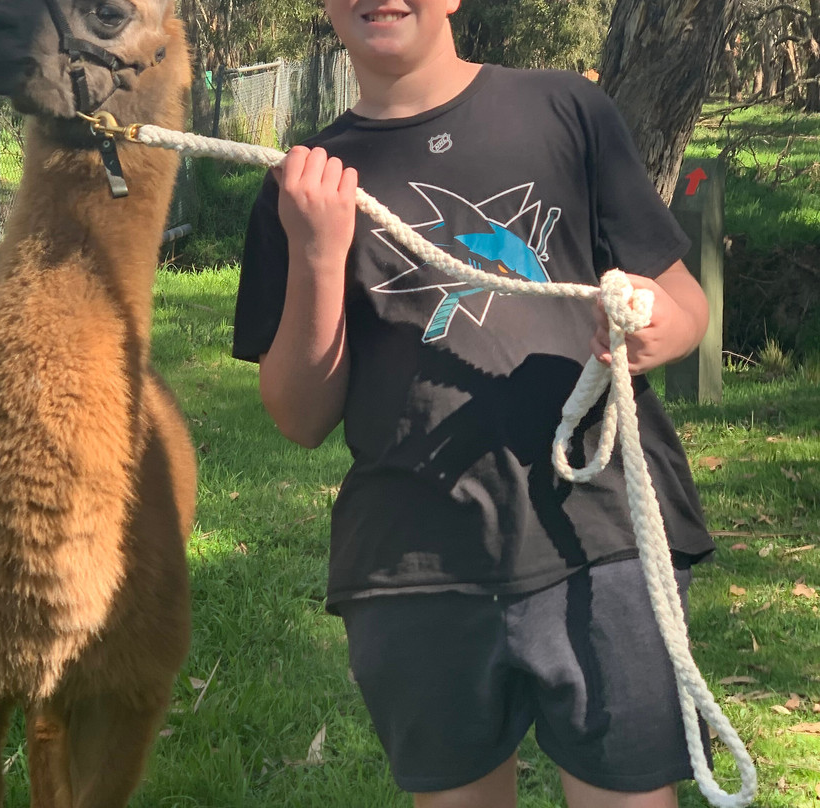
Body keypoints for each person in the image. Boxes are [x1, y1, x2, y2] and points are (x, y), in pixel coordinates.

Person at [232, 1, 716, 806]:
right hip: (415, 558)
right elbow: (299, 415)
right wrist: (318, 254)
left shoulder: (564, 109)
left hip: (600, 537)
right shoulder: (303, 179)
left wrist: (657, 327)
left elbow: (683, 301)